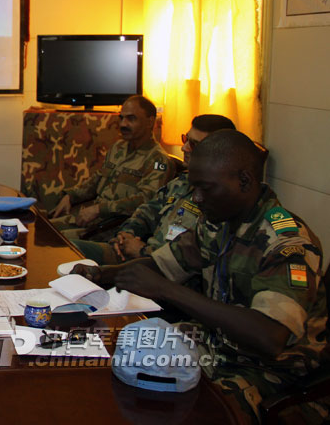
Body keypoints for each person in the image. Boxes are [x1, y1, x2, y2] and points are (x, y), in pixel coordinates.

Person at [72, 130, 327, 423]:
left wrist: (169, 290)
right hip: (218, 342)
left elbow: (269, 338)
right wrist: (101, 273)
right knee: (114, 351)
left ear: (243, 181)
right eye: (194, 187)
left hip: (268, 369)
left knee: (182, 410)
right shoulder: (221, 223)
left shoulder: (286, 243)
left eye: (205, 188)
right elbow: (163, 264)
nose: (197, 198)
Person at [72, 114, 235, 264]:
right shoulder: (181, 182)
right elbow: (147, 210)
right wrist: (126, 234)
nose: (184, 148)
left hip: (161, 270)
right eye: (186, 139)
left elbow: (191, 259)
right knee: (68, 249)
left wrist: (142, 251)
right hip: (135, 255)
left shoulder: (220, 201)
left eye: (194, 144)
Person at [49, 95, 173, 237]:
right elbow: (98, 179)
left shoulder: (158, 160)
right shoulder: (118, 147)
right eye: (121, 118)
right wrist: (71, 196)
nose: (123, 124)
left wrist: (99, 209)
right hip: (90, 220)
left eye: (131, 119)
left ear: (150, 122)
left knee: (54, 242)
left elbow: (146, 201)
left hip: (115, 228)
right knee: (39, 229)